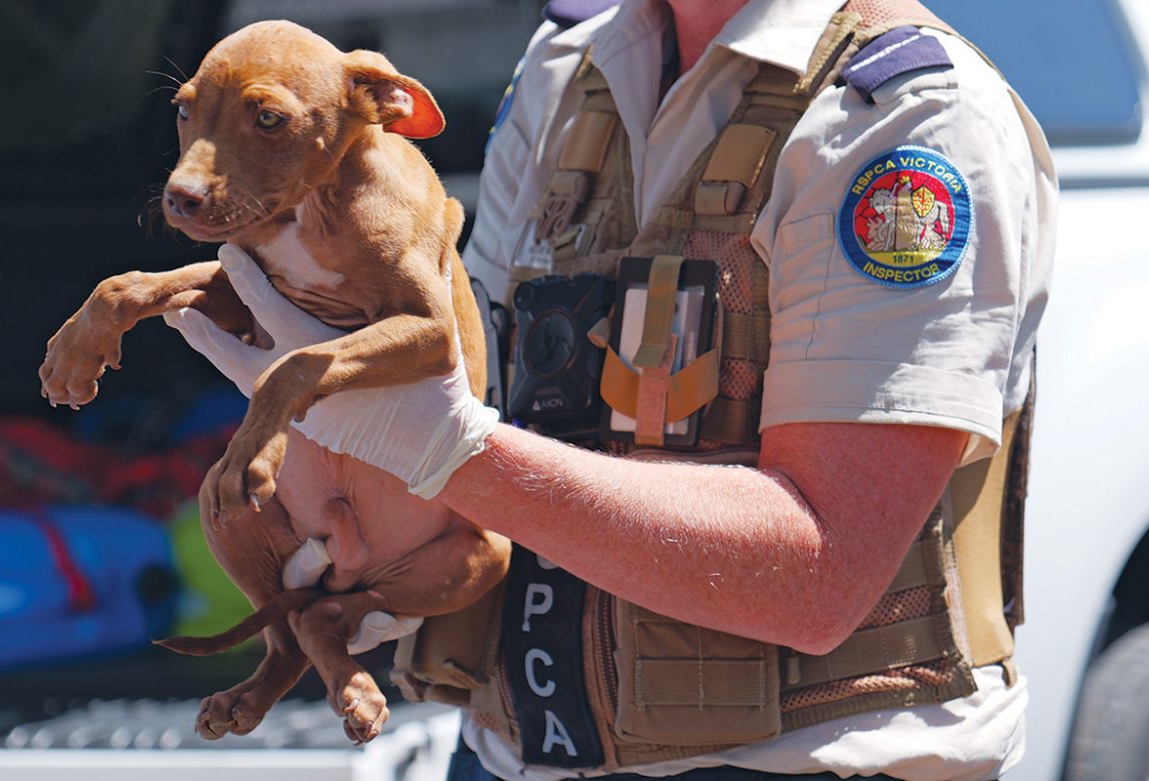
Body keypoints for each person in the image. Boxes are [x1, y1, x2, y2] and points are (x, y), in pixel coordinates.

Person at [166, 0, 1056, 778]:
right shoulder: (569, 66)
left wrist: (445, 451)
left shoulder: (901, 116)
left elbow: (819, 577)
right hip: (509, 754)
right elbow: (474, 367)